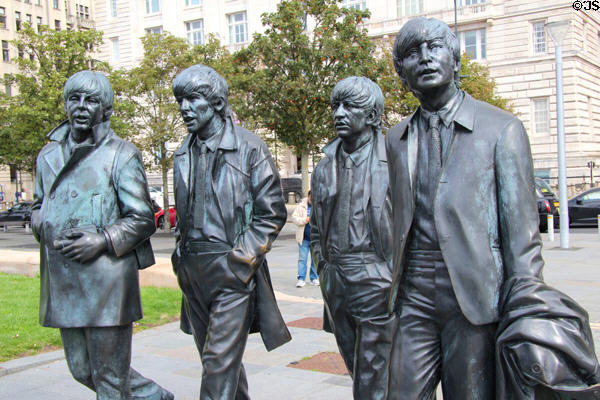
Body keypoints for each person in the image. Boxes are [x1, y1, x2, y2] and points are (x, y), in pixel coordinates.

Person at [385, 18, 545, 398]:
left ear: (455, 61)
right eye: (411, 53)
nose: (424, 58)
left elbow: (523, 240)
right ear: (402, 75)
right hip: (414, 295)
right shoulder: (395, 138)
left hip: (476, 298)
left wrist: (526, 309)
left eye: (434, 47)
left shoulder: (501, 129)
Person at [31, 70, 173, 400]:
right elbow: (37, 206)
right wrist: (43, 223)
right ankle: (156, 397)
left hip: (107, 281)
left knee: (109, 379)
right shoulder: (48, 156)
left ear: (105, 109)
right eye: (74, 99)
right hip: (65, 279)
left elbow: (142, 218)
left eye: (91, 100)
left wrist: (102, 239)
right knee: (82, 369)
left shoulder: (121, 154)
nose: (80, 106)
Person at [171, 64, 291, 400]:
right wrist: (180, 259)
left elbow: (272, 213)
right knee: (222, 368)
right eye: (180, 99)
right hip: (193, 272)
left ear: (216, 103)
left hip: (230, 269)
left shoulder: (250, 148)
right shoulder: (183, 150)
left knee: (216, 366)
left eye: (193, 99)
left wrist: (242, 258)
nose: (184, 107)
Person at [311, 76, 394, 400]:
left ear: (372, 116)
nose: (339, 113)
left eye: (349, 106)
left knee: (371, 376)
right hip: (337, 280)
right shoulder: (324, 165)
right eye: (336, 106)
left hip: (376, 277)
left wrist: (389, 274)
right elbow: (317, 228)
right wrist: (323, 267)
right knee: (358, 367)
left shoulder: (395, 160)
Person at [291, 190, 319, 287]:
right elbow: (294, 218)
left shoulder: (319, 206)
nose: (312, 201)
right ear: (308, 196)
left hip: (315, 238)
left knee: (315, 260)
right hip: (304, 238)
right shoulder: (301, 206)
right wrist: (304, 220)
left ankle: (314, 278)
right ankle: (301, 279)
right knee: (302, 259)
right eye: (311, 199)